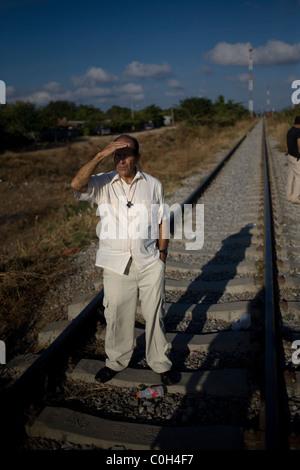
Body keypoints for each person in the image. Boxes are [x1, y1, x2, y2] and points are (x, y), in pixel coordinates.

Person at [70, 134, 179, 385]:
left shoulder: (153, 184)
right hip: (116, 262)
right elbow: (76, 185)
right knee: (117, 314)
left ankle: (160, 363)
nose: (121, 160)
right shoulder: (103, 183)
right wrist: (99, 155)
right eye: (116, 155)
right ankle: (116, 361)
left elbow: (163, 220)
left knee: (155, 314)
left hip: (150, 260)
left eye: (126, 154)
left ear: (137, 157)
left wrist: (162, 256)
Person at [286, 116, 300, 203]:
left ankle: (289, 195)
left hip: (290, 156)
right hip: (296, 158)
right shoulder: (298, 132)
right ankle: (295, 197)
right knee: (299, 176)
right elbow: (299, 145)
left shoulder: (290, 131)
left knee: (290, 176)